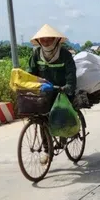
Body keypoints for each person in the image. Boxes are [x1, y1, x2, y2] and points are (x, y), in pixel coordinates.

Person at [28, 24, 77, 164]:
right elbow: (31, 72)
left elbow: (71, 74)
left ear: (56, 40)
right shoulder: (36, 53)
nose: (46, 42)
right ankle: (47, 150)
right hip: (45, 91)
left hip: (62, 90)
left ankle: (63, 136)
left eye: (49, 39)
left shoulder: (65, 54)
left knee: (61, 116)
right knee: (42, 120)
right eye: (43, 39)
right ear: (38, 41)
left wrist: (68, 86)